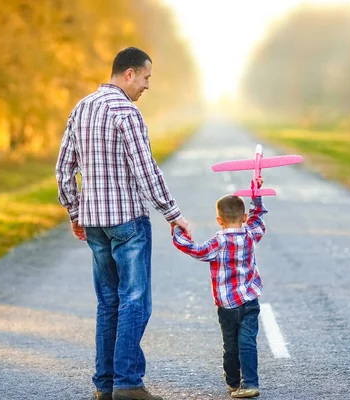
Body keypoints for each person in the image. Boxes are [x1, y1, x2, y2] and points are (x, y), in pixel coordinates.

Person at [55, 47, 190, 400]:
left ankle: (105, 387)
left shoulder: (81, 108)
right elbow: (146, 170)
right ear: (128, 74)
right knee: (135, 302)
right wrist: (173, 214)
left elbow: (63, 171)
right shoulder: (126, 113)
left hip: (95, 225)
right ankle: (128, 384)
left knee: (109, 303)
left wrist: (74, 212)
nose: (147, 86)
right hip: (128, 222)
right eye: (145, 78)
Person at [172, 179, 266, 399]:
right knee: (248, 342)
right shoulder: (250, 234)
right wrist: (257, 194)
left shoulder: (217, 242)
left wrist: (179, 233)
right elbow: (258, 219)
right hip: (250, 301)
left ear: (219, 220)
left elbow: (194, 250)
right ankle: (250, 383)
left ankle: (234, 384)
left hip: (227, 305)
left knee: (231, 344)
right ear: (243, 218)